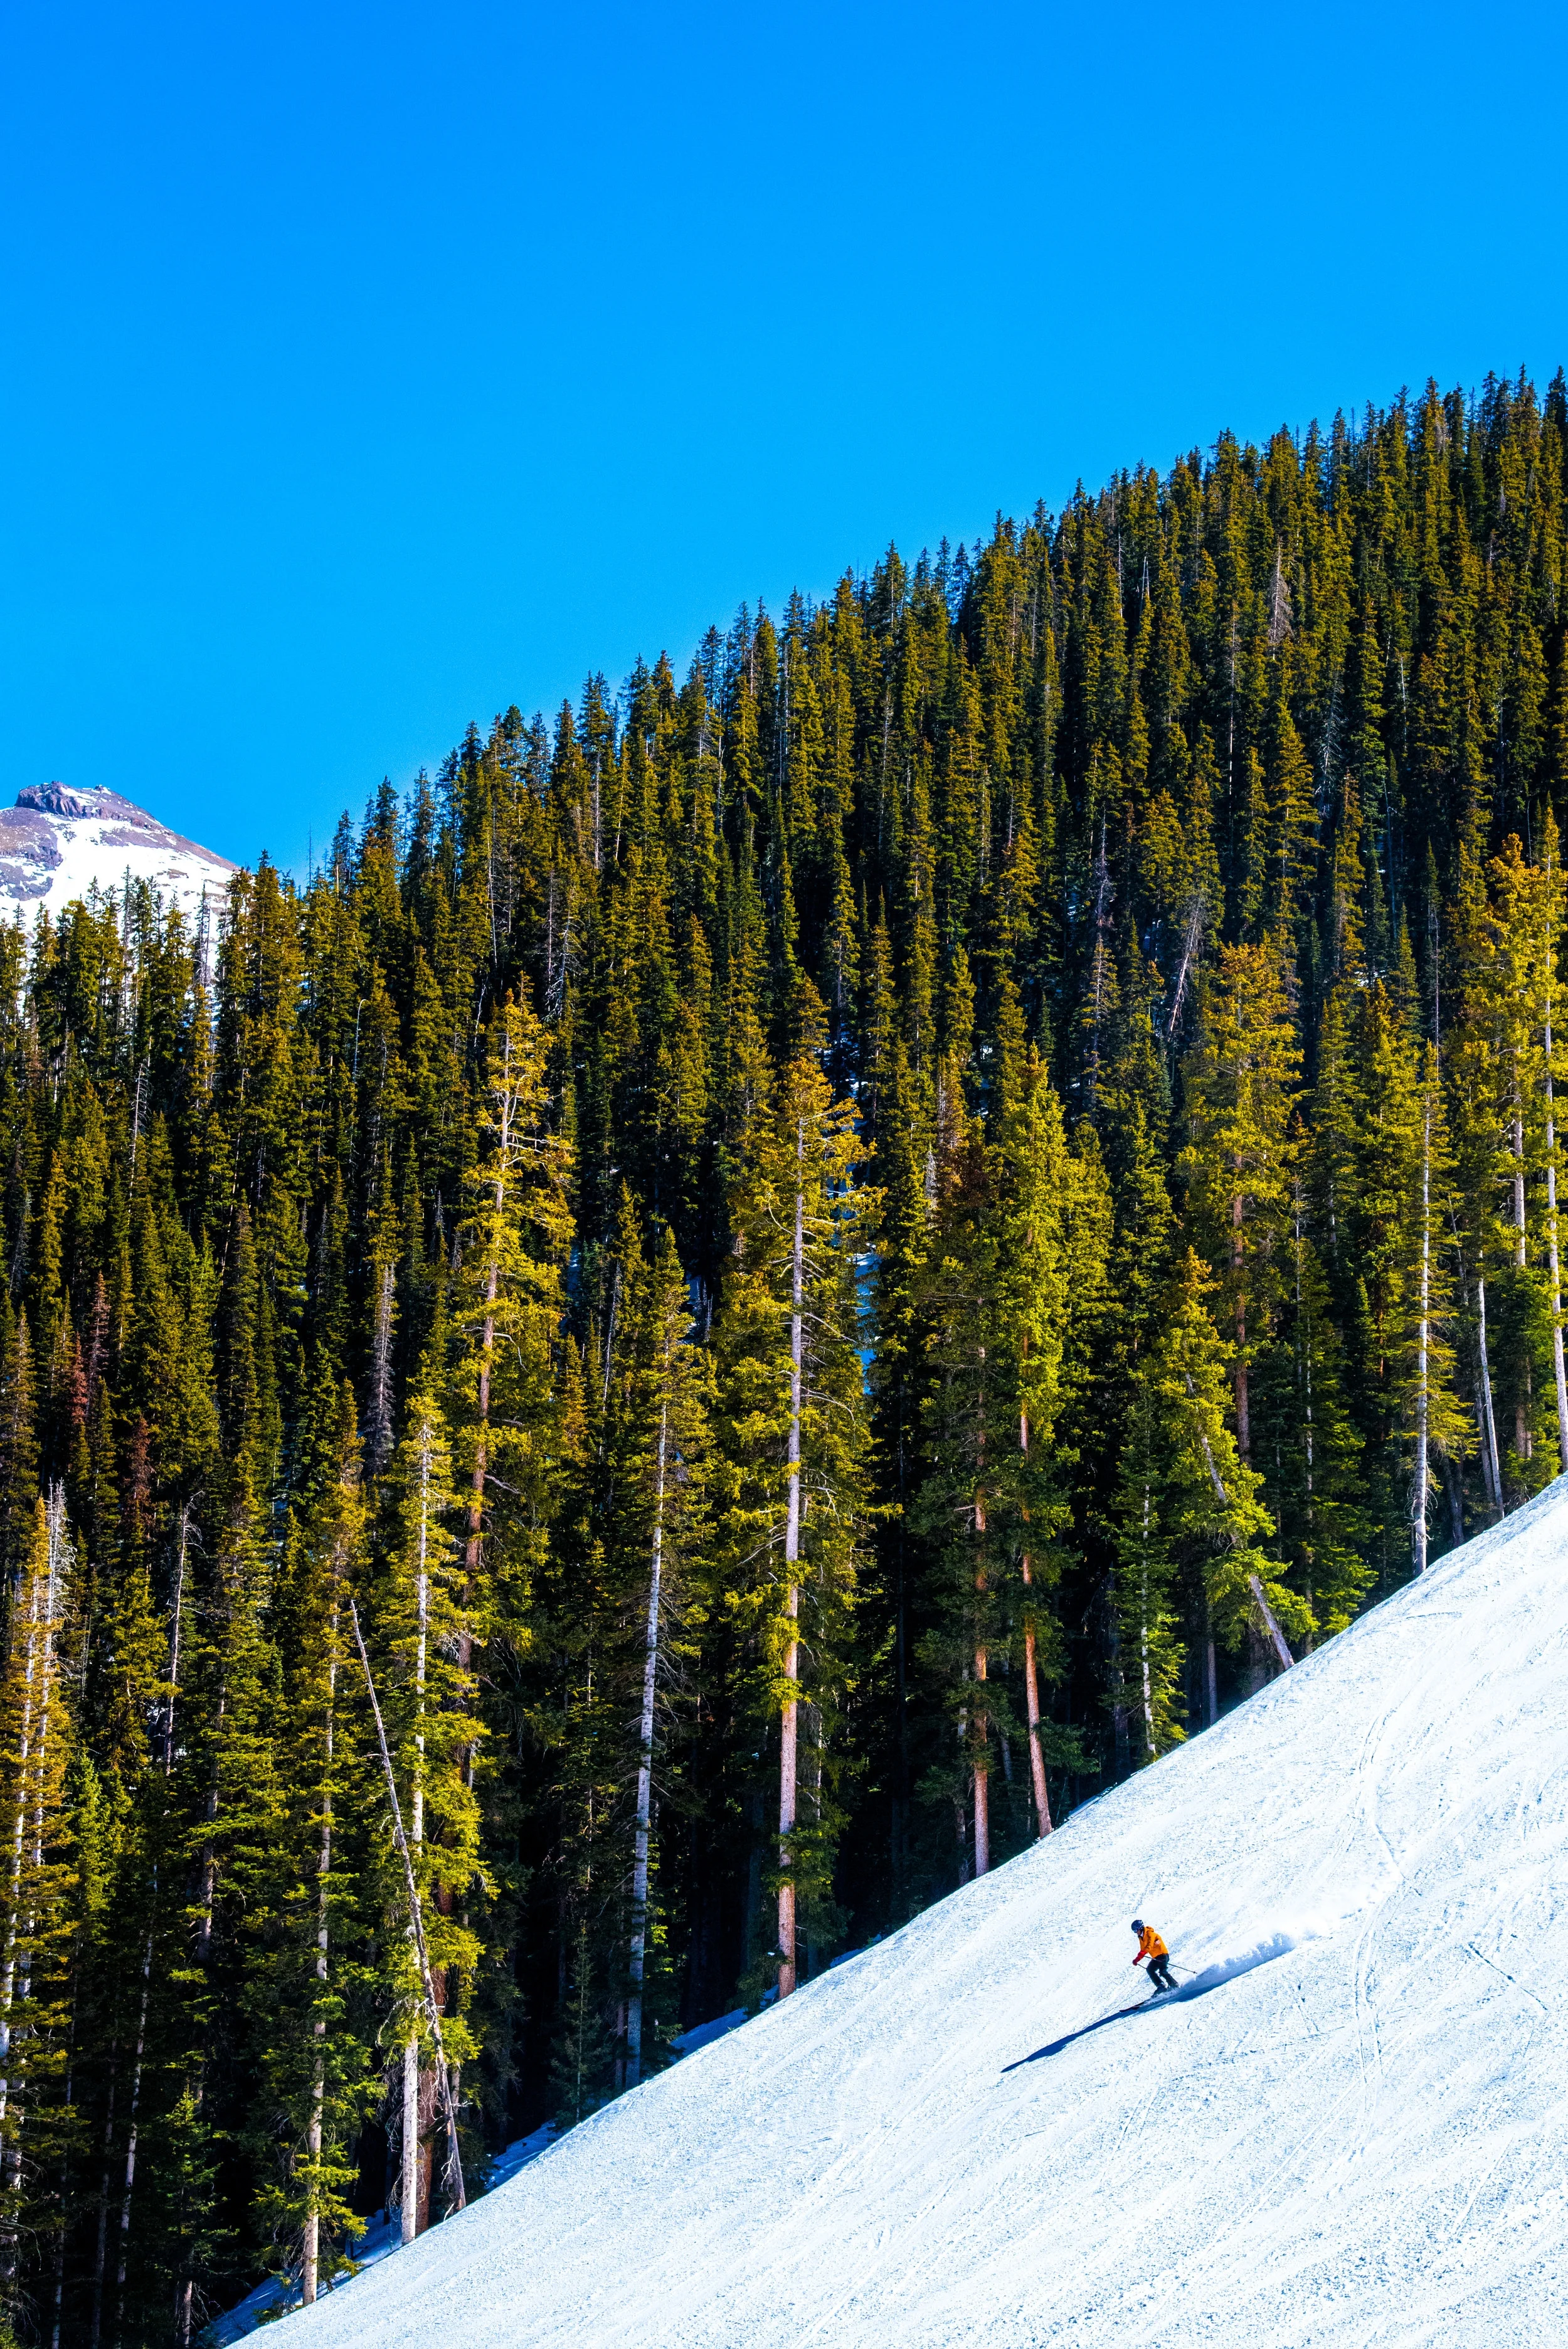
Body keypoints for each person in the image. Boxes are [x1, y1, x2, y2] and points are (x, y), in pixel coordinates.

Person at [1131, 1919, 1177, 1994]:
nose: (1136, 1933)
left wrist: (1143, 1953)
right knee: (1150, 1970)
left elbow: (1149, 1946)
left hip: (1163, 1955)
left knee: (1162, 1971)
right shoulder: (1141, 1938)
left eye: (1136, 1930)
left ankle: (1174, 1985)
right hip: (1156, 1957)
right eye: (1134, 1931)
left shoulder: (1150, 1934)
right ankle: (1161, 1986)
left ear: (1141, 1928)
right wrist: (1137, 1959)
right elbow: (1143, 1949)